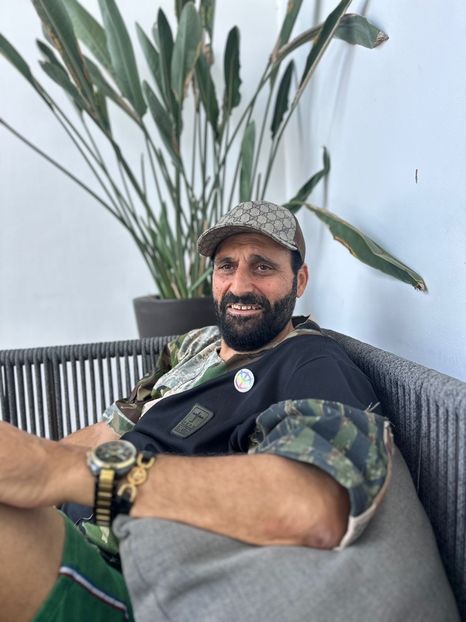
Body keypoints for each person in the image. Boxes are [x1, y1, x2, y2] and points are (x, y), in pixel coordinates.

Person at [0, 201, 392, 622]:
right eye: (226, 266)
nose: (239, 285)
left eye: (262, 267)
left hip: (127, 579)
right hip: (70, 528)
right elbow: (106, 431)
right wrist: (30, 470)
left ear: (299, 280)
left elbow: (313, 505)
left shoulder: (310, 363)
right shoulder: (195, 345)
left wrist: (62, 472)